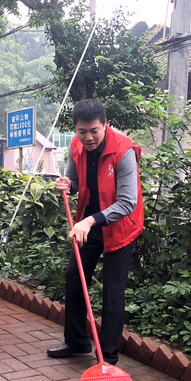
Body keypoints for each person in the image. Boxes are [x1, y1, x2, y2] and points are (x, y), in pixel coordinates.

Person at [46, 99, 144, 366]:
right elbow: (75, 182)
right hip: (88, 224)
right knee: (73, 277)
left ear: (104, 125)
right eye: (82, 131)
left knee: (112, 292)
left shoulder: (124, 151)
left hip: (120, 227)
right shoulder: (76, 146)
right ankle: (77, 343)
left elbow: (127, 203)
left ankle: (109, 359)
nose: (88, 137)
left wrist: (89, 221)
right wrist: (67, 184)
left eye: (94, 131)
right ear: (75, 129)